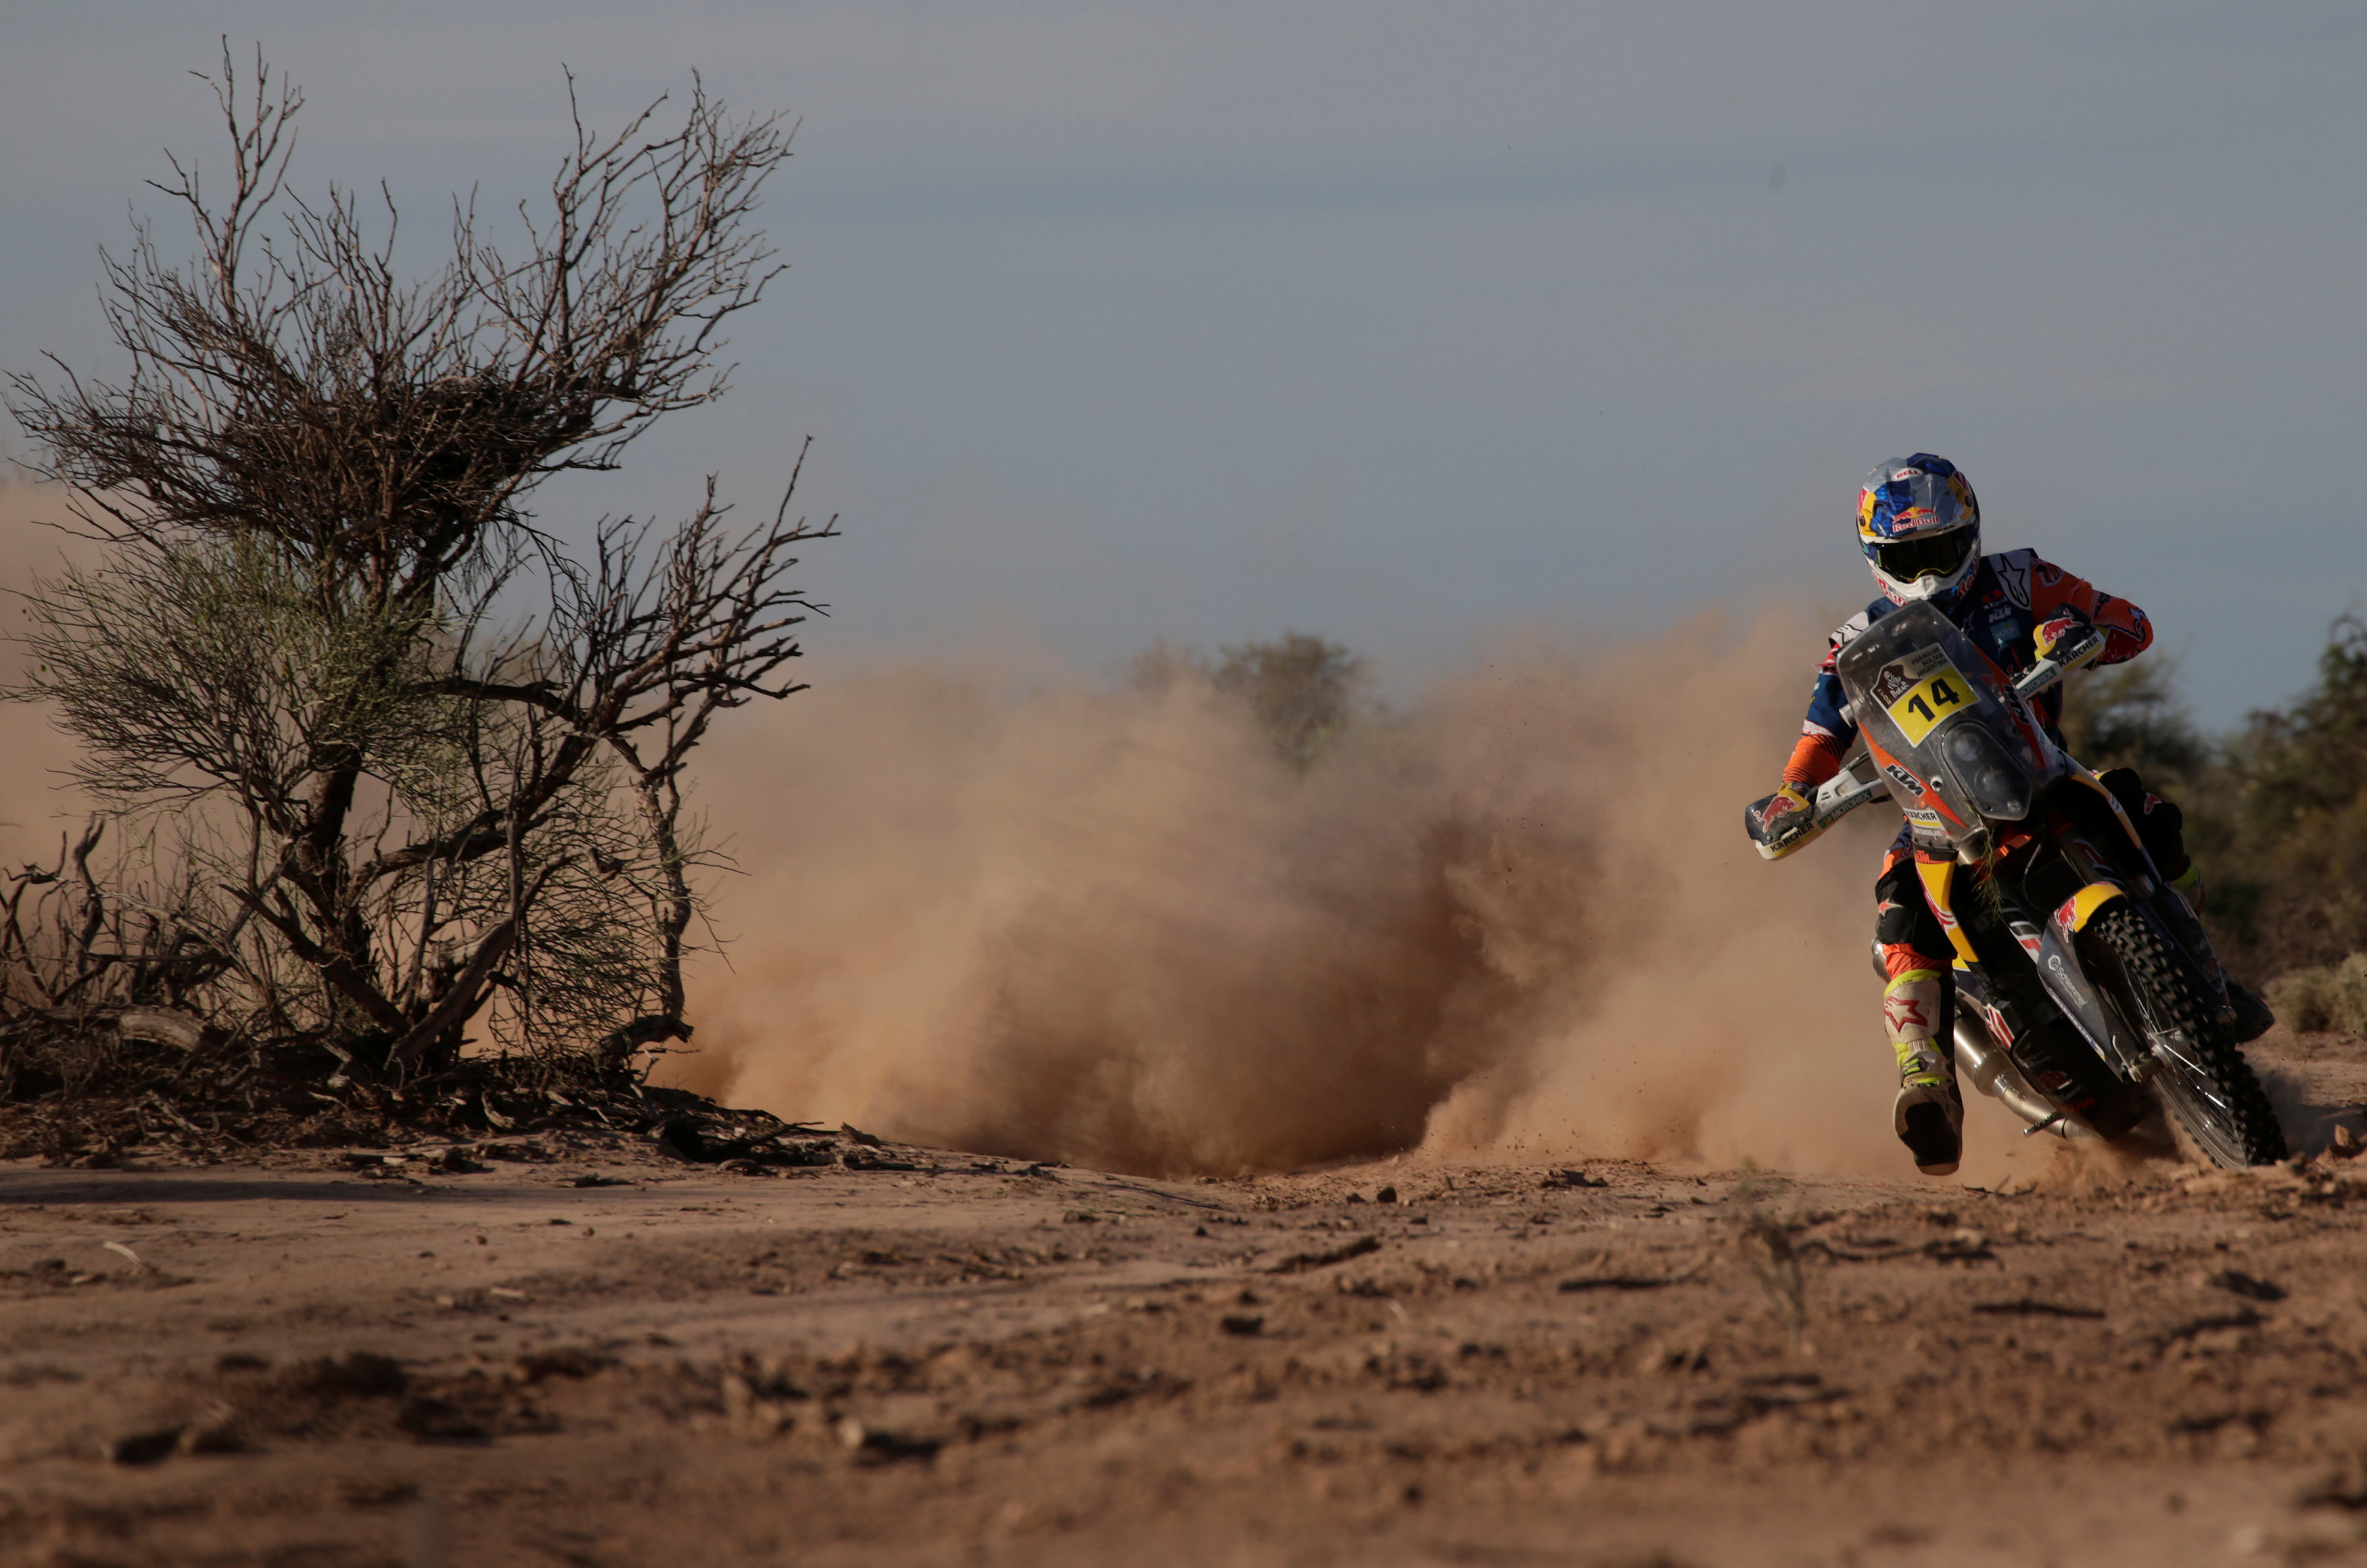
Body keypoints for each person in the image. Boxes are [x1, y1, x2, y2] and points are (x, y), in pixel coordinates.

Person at [1748, 454, 2272, 1176]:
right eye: (1909, 557)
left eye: (1939, 550)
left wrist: (2074, 633)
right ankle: (1926, 1083)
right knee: (1898, 913)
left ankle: (2205, 974)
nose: (1929, 575)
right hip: (1933, 812)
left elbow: (2129, 623)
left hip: (2037, 768)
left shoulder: (2022, 580)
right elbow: (1818, 736)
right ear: (1877, 560)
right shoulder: (1856, 646)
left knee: (2139, 807)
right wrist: (1790, 794)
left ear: (1968, 533)